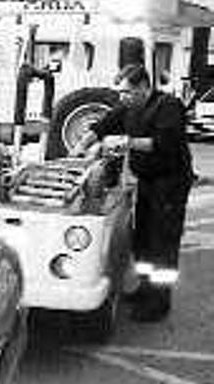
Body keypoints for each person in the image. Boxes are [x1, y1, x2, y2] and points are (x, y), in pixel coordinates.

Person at [70, 64, 196, 322]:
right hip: (148, 181)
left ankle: (159, 302)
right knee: (143, 238)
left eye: (127, 92)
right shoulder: (129, 107)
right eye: (120, 92)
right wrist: (80, 147)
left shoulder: (167, 107)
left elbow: (165, 144)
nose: (122, 97)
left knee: (162, 240)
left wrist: (127, 143)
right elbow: (103, 125)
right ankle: (145, 289)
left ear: (143, 88)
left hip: (170, 182)